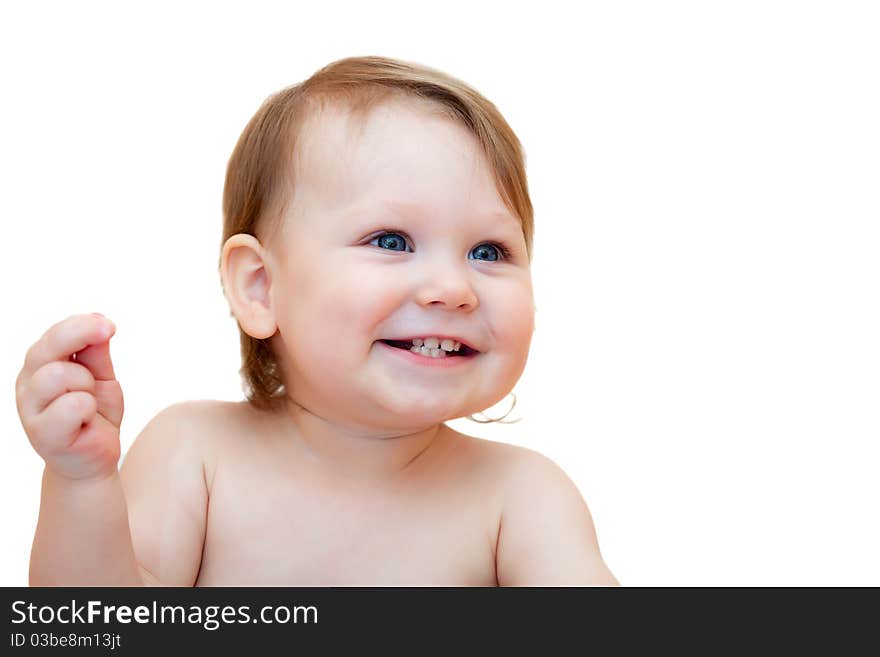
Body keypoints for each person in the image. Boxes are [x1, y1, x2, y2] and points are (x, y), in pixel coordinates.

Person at [15, 56, 618, 586]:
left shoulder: (521, 498)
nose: (453, 289)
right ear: (261, 286)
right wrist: (82, 483)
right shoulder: (195, 455)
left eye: (489, 252)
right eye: (391, 240)